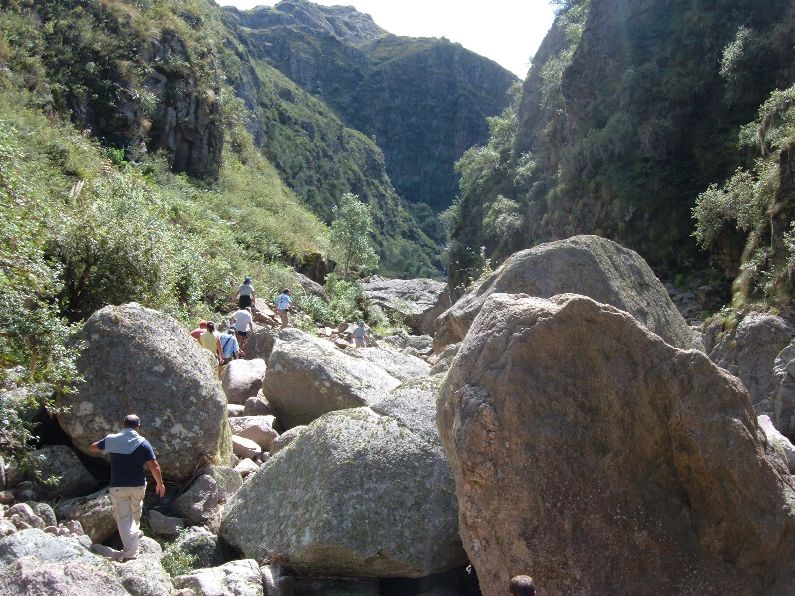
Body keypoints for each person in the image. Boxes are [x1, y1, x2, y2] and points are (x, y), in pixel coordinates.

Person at [89, 414, 165, 562]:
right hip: (138, 486)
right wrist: (160, 484)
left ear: (123, 425)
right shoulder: (143, 443)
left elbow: (93, 448)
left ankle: (130, 553)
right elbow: (154, 466)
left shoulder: (112, 439)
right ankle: (135, 533)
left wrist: (104, 444)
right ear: (138, 427)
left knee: (124, 518)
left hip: (118, 486)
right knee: (136, 508)